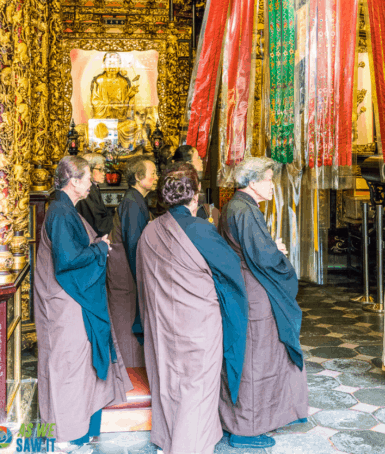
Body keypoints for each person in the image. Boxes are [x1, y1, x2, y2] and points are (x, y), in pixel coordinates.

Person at [137, 162, 249, 454]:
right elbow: (229, 271)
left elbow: (144, 280)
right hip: (199, 324)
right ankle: (191, 446)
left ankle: (168, 440)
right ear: (195, 196)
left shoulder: (150, 231)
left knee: (168, 382)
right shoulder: (200, 230)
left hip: (163, 323)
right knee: (197, 387)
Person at [34, 156, 132, 446]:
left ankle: (79, 430)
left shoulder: (66, 210)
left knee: (79, 366)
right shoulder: (62, 213)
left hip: (72, 300)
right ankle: (69, 435)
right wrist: (100, 248)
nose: (92, 182)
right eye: (88, 177)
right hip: (66, 303)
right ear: (74, 181)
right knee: (70, 367)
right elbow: (68, 261)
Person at [218, 156, 308, 450]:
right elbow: (263, 256)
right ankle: (245, 429)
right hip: (254, 293)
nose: (273, 185)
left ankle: (256, 419)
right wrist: (277, 251)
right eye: (269, 179)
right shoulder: (243, 209)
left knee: (260, 356)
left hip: (249, 289)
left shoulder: (239, 205)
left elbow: (255, 248)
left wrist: (270, 247)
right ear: (254, 183)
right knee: (256, 360)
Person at [107, 155, 157, 368]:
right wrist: (144, 277)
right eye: (152, 173)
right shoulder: (133, 203)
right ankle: (129, 374)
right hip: (125, 273)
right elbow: (134, 244)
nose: (157, 177)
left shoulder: (136, 199)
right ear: (138, 176)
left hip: (125, 271)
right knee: (126, 320)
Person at [172, 145, 220, 226]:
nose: (201, 161)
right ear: (188, 164)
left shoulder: (195, 181)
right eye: (198, 158)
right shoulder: (181, 185)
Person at [75, 153, 114, 237]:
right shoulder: (87, 191)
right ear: (88, 170)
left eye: (104, 170)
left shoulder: (93, 187)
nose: (104, 173)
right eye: (100, 169)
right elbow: (97, 226)